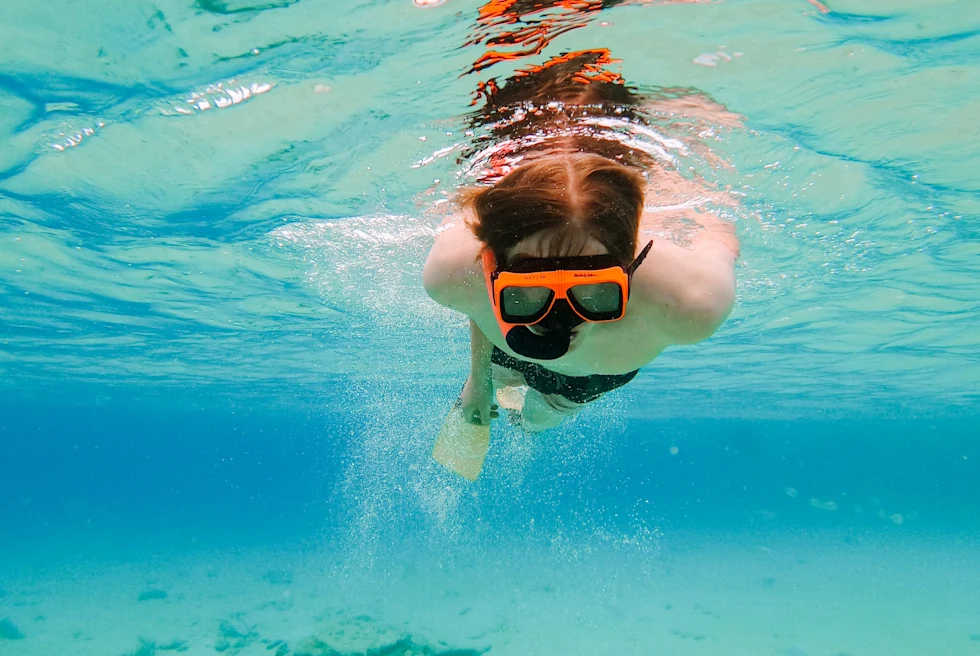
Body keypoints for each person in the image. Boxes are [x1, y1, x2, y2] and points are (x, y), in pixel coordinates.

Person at [423, 46, 740, 432]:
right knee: (504, 378)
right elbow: (477, 303)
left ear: (631, 266)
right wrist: (479, 381)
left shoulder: (691, 303)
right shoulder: (453, 273)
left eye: (594, 294)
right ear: (489, 265)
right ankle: (504, 383)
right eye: (525, 294)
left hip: (590, 377)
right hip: (507, 348)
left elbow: (719, 240)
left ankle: (529, 421)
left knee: (538, 420)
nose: (560, 324)